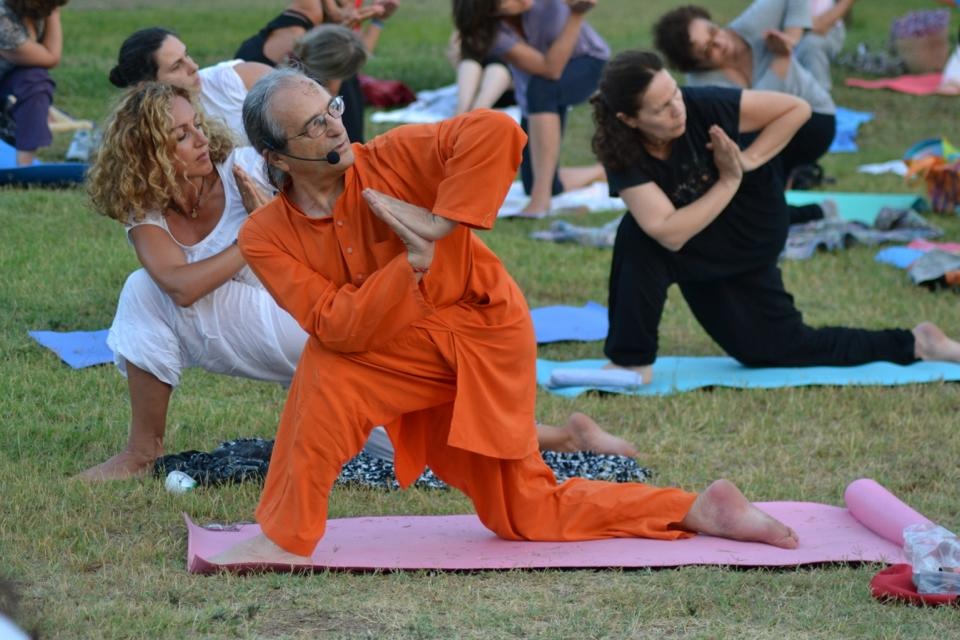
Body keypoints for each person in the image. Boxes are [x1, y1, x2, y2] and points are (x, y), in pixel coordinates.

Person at [209, 67, 800, 565]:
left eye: (331, 108)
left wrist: (441, 227)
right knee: (516, 506)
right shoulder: (265, 236)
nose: (335, 124)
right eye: (312, 124)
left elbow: (496, 129)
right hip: (396, 350)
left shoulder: (391, 157)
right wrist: (406, 268)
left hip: (480, 329)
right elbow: (335, 323)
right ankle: (698, 508)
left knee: (514, 503)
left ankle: (284, 538)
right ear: (276, 155)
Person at [78, 81, 637, 481]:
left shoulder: (248, 163)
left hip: (311, 313)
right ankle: (141, 450)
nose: (201, 138)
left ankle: (565, 437)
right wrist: (252, 235)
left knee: (407, 440)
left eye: (197, 124)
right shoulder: (146, 208)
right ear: (150, 155)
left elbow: (326, 182)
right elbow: (177, 284)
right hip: (269, 317)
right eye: (181, 136)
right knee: (142, 292)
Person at [590, 50, 960, 387]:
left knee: (640, 237)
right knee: (768, 349)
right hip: (697, 234)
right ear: (629, 119)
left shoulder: (707, 105)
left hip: (752, 224)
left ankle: (630, 360)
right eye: (661, 108)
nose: (677, 108)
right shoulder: (621, 150)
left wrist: (747, 162)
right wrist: (729, 178)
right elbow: (667, 232)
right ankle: (918, 342)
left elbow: (796, 109)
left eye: (675, 93)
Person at [653, 3, 836, 223]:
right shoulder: (703, 84)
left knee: (751, 173)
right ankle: (791, 208)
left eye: (713, 31)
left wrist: (790, 39)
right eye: (707, 50)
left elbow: (776, 108)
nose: (720, 43)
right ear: (696, 65)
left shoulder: (753, 24)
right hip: (764, 135)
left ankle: (796, 210)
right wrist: (780, 60)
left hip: (814, 119)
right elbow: (759, 111)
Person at [453, 0, 608, 217]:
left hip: (589, 62)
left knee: (541, 88)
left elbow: (550, 72)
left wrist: (576, 14)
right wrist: (576, 14)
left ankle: (540, 201)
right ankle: (602, 171)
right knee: (536, 181)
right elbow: (549, 68)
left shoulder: (548, 5)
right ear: (490, 10)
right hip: (540, 90)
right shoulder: (495, 33)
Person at [235, 0, 390, 142]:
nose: (354, 6)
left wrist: (378, 20)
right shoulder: (309, 13)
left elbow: (353, 60)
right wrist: (336, 14)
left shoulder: (318, 32)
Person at [110, 27, 272, 142]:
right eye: (176, 66)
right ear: (146, 86)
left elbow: (295, 96)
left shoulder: (235, 79)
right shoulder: (144, 131)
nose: (193, 67)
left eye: (186, 55)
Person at [0, 0, 67, 166]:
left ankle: (24, 166)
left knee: (35, 81)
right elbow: (51, 56)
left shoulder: (34, 9)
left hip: (7, 78)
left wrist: (52, 8)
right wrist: (54, 11)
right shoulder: (2, 19)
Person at [447, 29, 514, 115]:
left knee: (497, 69)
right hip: (477, 84)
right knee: (469, 64)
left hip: (506, 85)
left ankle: (474, 116)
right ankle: (461, 114)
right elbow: (455, 54)